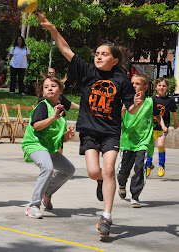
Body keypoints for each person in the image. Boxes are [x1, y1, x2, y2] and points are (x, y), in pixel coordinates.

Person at [36, 13, 143, 237]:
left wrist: (135, 104)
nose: (98, 56)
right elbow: (65, 49)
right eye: (97, 53)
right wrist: (51, 28)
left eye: (104, 54)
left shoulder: (121, 80)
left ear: (115, 59)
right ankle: (101, 182)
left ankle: (106, 217)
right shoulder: (87, 72)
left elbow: (130, 110)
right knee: (95, 172)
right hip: (89, 132)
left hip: (111, 133)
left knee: (109, 169)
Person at [22, 76, 76, 219]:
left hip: (48, 148)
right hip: (34, 144)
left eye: (53, 86)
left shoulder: (61, 110)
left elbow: (59, 137)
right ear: (42, 92)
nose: (49, 88)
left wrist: (67, 136)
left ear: (60, 90)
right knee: (47, 168)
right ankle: (33, 205)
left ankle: (47, 192)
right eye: (46, 87)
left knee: (69, 169)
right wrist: (53, 117)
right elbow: (37, 126)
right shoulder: (42, 106)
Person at [117, 73, 161, 208]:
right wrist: (122, 112)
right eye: (132, 83)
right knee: (124, 169)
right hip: (128, 141)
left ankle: (135, 196)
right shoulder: (125, 101)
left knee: (140, 167)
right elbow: (117, 119)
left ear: (145, 87)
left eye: (137, 84)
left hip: (144, 141)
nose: (134, 86)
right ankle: (122, 184)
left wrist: (163, 125)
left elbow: (157, 114)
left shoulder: (150, 102)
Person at [146, 77, 179, 177]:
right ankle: (148, 165)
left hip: (163, 127)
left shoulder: (170, 100)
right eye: (159, 85)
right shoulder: (151, 100)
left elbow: (173, 112)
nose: (161, 87)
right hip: (152, 127)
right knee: (149, 146)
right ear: (156, 87)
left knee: (160, 145)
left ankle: (161, 165)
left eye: (164, 86)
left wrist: (176, 122)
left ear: (167, 88)